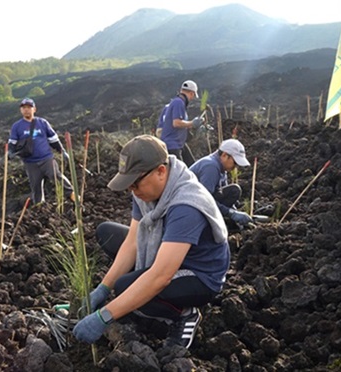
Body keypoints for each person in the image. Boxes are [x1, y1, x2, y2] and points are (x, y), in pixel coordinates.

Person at [72, 135, 230, 349]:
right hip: (167, 250)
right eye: (129, 186)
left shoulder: (186, 205)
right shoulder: (145, 191)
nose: (133, 191)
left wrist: (104, 316)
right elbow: (133, 242)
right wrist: (102, 288)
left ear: (161, 171)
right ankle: (139, 297)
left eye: (135, 184)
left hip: (199, 274)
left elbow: (160, 277)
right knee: (106, 233)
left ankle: (184, 314)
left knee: (125, 286)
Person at [8, 98, 74, 204]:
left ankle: (72, 194)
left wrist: (62, 151)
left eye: (29, 107)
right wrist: (10, 152)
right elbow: (12, 142)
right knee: (36, 187)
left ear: (34, 109)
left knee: (56, 175)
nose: (26, 110)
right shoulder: (17, 126)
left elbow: (53, 140)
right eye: (24, 108)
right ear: (21, 110)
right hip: (30, 162)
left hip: (46, 158)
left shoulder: (42, 123)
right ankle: (40, 206)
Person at [189, 139, 253, 230]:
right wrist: (230, 213)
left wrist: (234, 210)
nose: (235, 167)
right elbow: (205, 200)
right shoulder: (211, 167)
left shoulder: (221, 167)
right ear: (224, 155)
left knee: (234, 190)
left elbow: (222, 191)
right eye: (235, 163)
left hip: (201, 200)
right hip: (192, 206)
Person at [159, 80, 206, 166]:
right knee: (180, 174)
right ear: (191, 93)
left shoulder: (178, 102)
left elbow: (180, 124)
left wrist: (195, 124)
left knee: (191, 165)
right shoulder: (178, 102)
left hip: (179, 144)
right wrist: (192, 123)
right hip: (172, 145)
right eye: (193, 96)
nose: (192, 98)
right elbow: (176, 123)